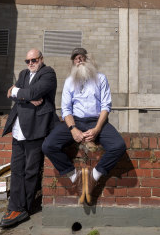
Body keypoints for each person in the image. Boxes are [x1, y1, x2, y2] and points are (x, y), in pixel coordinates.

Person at [42, 47, 126, 204]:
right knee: (48, 146)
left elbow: (106, 106)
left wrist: (97, 129)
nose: (78, 60)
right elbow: (66, 110)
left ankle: (94, 177)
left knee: (119, 145)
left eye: (81, 57)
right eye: (75, 58)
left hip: (97, 121)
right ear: (73, 62)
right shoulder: (69, 82)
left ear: (87, 59)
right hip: (75, 121)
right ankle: (76, 177)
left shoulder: (101, 78)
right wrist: (73, 129)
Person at [0, 49, 57, 228]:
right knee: (17, 170)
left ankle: (26, 207)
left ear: (41, 59)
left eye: (34, 60)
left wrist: (21, 93)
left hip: (35, 129)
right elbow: (11, 93)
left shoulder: (48, 73)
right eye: (27, 60)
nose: (30, 63)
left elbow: (30, 92)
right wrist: (26, 95)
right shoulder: (24, 74)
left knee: (31, 171)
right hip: (18, 129)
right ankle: (15, 206)